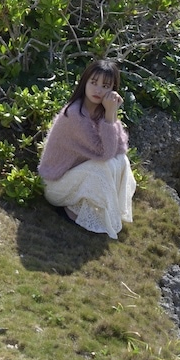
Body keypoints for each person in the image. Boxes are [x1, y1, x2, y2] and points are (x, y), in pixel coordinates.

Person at [37, 59, 137, 238]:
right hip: (55, 186)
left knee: (121, 161)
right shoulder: (75, 114)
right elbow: (105, 153)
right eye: (93, 83)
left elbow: (120, 148)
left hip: (75, 176)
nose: (98, 90)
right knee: (102, 167)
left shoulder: (100, 111)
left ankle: (99, 208)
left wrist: (111, 113)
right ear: (84, 83)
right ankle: (70, 210)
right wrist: (109, 115)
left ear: (113, 89)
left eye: (105, 86)